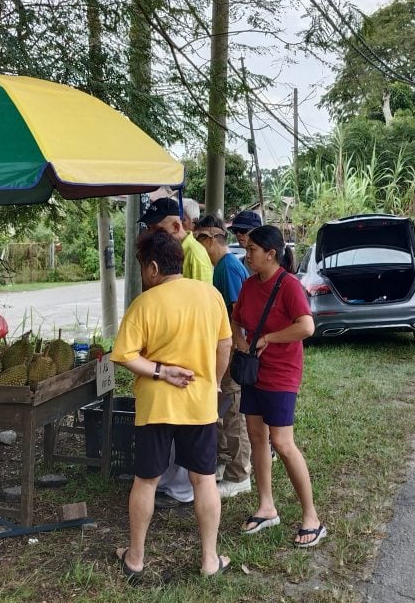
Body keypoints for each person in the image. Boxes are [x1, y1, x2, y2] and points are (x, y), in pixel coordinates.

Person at [111, 230, 233, 580]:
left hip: (155, 406)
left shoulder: (145, 304)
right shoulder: (211, 295)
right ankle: (210, 560)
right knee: (204, 480)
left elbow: (124, 356)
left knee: (146, 480)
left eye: (141, 269)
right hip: (199, 403)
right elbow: (224, 346)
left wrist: (161, 371)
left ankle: (135, 558)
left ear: (152, 267)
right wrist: (211, 383)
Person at [232, 225, 325, 548]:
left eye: (253, 250)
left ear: (271, 254)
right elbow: (236, 316)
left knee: (283, 444)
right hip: (253, 373)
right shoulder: (248, 285)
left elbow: (306, 326)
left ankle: (311, 516)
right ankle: (266, 506)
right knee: (257, 437)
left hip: (282, 374)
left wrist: (269, 339)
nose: (247, 255)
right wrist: (239, 339)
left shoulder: (289, 286)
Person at [138, 196, 214, 508]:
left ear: (176, 225)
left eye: (157, 229)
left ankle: (180, 488)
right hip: (169, 364)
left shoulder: (194, 254)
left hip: (189, 362)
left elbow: (203, 308)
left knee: (194, 463)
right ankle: (172, 484)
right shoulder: (170, 258)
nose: (154, 235)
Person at [194, 215, 253, 499]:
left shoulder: (227, 268)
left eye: (198, 241)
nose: (197, 249)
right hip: (227, 350)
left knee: (233, 413)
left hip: (232, 351)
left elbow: (235, 316)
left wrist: (228, 353)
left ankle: (240, 474)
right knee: (225, 411)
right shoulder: (224, 266)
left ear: (210, 239)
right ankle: (228, 464)